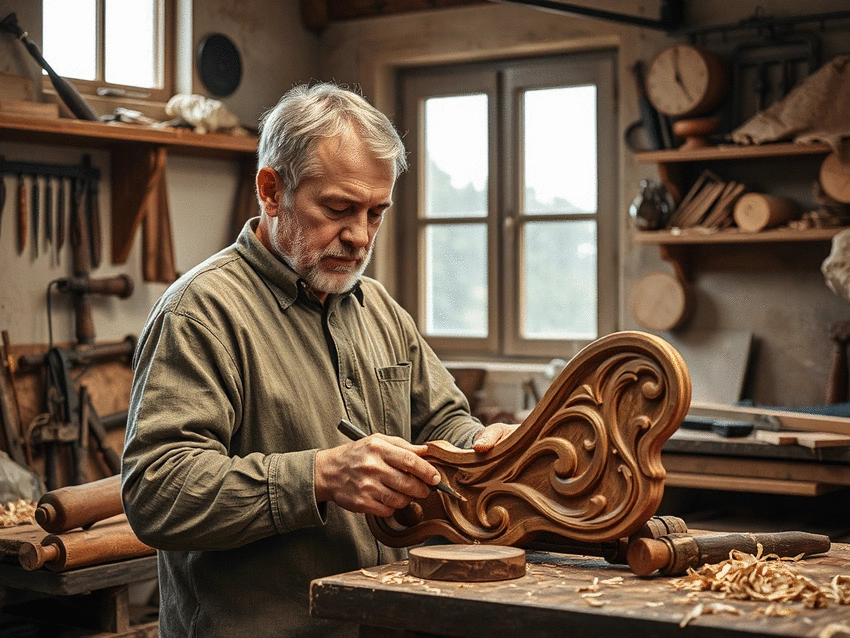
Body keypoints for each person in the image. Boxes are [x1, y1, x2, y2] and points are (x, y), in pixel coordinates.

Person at [121, 82, 515, 638]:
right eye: (337, 208)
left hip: (382, 622)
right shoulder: (200, 314)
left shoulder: (378, 309)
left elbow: (442, 421)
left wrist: (480, 445)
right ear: (271, 190)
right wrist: (319, 477)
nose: (359, 237)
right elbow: (157, 492)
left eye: (376, 213)